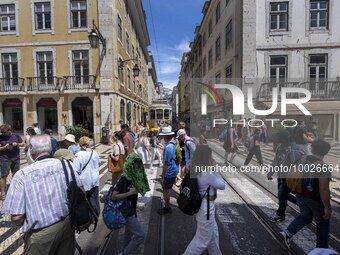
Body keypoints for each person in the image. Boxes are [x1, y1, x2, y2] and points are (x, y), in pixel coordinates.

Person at [1, 134, 80, 254]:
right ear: (50, 148)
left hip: (40, 235)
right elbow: (80, 191)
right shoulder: (67, 165)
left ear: (31, 150)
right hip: (67, 226)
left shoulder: (22, 175)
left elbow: (16, 218)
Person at [281, 140, 332, 249]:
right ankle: (321, 250)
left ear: (312, 149)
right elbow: (324, 189)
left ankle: (287, 233)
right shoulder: (322, 166)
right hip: (315, 199)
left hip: (300, 195)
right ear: (326, 152)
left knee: (306, 216)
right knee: (323, 223)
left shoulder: (301, 159)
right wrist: (327, 207)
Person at [183, 145, 225, 255]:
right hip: (206, 209)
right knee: (202, 240)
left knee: (213, 235)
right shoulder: (206, 173)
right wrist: (215, 169)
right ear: (207, 157)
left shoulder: (195, 168)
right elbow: (222, 185)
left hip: (201, 206)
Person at [111, 153, 150, 255]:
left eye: (137, 163)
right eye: (134, 163)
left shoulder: (134, 176)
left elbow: (141, 188)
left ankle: (124, 251)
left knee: (128, 234)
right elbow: (114, 196)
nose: (136, 166)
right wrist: (131, 192)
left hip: (131, 209)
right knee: (140, 235)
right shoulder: (125, 178)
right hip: (126, 211)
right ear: (129, 164)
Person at [267, 130, 304, 222]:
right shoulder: (280, 147)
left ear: (284, 139)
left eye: (279, 138)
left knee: (281, 195)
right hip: (281, 176)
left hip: (289, 177)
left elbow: (299, 164)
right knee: (284, 195)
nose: (277, 140)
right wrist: (270, 172)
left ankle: (280, 215)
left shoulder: (295, 148)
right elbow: (276, 161)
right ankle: (303, 205)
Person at [73, 136, 100, 219]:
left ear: (80, 144)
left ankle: (86, 218)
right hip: (95, 180)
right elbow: (98, 163)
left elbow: (75, 170)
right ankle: (95, 216)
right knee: (94, 199)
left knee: (84, 200)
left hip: (84, 182)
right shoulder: (94, 153)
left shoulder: (78, 155)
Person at [157, 127, 179, 215]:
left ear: (167, 136)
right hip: (173, 169)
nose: (162, 138)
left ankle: (167, 207)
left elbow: (166, 164)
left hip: (169, 171)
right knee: (172, 185)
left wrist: (162, 177)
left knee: (166, 189)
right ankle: (185, 196)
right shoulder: (172, 143)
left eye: (163, 136)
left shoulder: (169, 146)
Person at [0, 124, 24, 200]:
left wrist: (16, 144)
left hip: (16, 158)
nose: (2, 133)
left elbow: (23, 143)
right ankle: (3, 193)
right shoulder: (0, 137)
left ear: (9, 130)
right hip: (5, 159)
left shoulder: (16, 136)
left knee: (16, 175)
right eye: (1, 132)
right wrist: (5, 147)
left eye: (4, 132)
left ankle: (14, 191)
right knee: (4, 176)